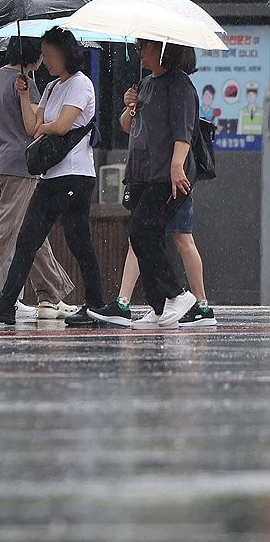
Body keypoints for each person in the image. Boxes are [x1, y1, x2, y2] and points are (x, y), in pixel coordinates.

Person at [0, 27, 105, 327]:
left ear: (65, 53)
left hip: (75, 174)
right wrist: (25, 96)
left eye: (49, 54)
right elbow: (31, 128)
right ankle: (7, 302)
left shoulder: (81, 84)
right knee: (27, 237)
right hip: (51, 175)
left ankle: (97, 303)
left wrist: (45, 124)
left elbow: (61, 126)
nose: (45, 60)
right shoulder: (50, 88)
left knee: (78, 240)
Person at [0, 36, 77, 320]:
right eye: (42, 54)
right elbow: (33, 127)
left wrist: (0, 139)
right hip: (20, 168)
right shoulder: (26, 83)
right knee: (5, 232)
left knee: (29, 231)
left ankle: (51, 294)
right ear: (34, 56)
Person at [89, 39, 199, 329]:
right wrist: (130, 106)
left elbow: (184, 131)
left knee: (143, 232)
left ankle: (178, 295)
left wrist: (177, 166)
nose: (139, 52)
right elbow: (129, 126)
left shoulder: (180, 85)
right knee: (141, 237)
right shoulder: (146, 83)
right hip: (142, 175)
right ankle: (160, 306)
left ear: (163, 49)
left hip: (165, 176)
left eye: (145, 46)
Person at [91, 198, 216, 327]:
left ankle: (202, 306)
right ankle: (124, 302)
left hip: (169, 186)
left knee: (181, 238)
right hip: (152, 184)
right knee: (140, 238)